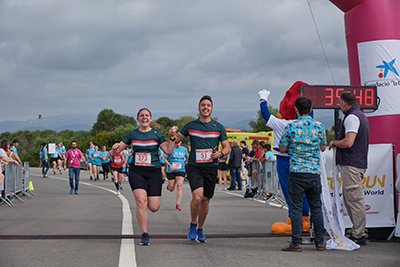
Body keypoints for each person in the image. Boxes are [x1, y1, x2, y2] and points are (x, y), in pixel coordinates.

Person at [168, 95, 230, 243]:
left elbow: (227, 146)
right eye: (203, 105)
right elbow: (177, 138)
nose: (205, 107)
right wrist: (171, 135)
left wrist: (220, 153)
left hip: (210, 168)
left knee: (205, 201)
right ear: (199, 108)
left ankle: (200, 229)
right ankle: (193, 224)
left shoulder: (218, 127)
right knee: (197, 197)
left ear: (212, 109)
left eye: (208, 105)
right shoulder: (191, 125)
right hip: (195, 167)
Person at [112, 108, 175, 246]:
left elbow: (169, 151)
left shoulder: (157, 134)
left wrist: (172, 138)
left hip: (154, 172)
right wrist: (115, 147)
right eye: (141, 116)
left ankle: (149, 201)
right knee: (141, 202)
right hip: (137, 171)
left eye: (147, 115)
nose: (144, 117)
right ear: (138, 119)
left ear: (150, 119)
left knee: (153, 207)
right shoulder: (132, 134)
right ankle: (144, 234)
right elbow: (117, 149)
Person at [259, 82, 311, 235]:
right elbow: (310, 113)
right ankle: (305, 220)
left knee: (290, 191)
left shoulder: (281, 124)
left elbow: (266, 115)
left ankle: (294, 220)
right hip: (303, 160)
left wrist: (263, 99)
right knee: (305, 191)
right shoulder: (308, 123)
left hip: (284, 160)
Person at [279, 96, 327, 252]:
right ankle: (320, 242)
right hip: (314, 173)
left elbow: (282, 148)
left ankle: (296, 243)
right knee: (317, 208)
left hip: (297, 172)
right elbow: (323, 148)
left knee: (297, 209)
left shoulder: (291, 127)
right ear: (311, 110)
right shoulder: (319, 126)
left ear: (296, 110)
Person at [329, 91, 369, 246]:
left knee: (354, 199)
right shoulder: (361, 115)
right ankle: (357, 230)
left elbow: (348, 142)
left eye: (340, 103)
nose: (339, 106)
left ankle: (359, 234)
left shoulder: (352, 117)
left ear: (344, 103)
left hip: (352, 163)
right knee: (350, 198)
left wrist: (334, 143)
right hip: (356, 162)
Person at [164, 141, 189, 211]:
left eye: (179, 141)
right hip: (171, 170)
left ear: (181, 142)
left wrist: (184, 163)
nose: (178, 143)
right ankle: (170, 186)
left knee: (179, 186)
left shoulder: (184, 149)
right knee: (171, 189)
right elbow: (165, 159)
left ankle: (178, 204)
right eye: (176, 142)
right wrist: (170, 165)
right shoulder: (170, 149)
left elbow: (187, 157)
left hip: (181, 170)